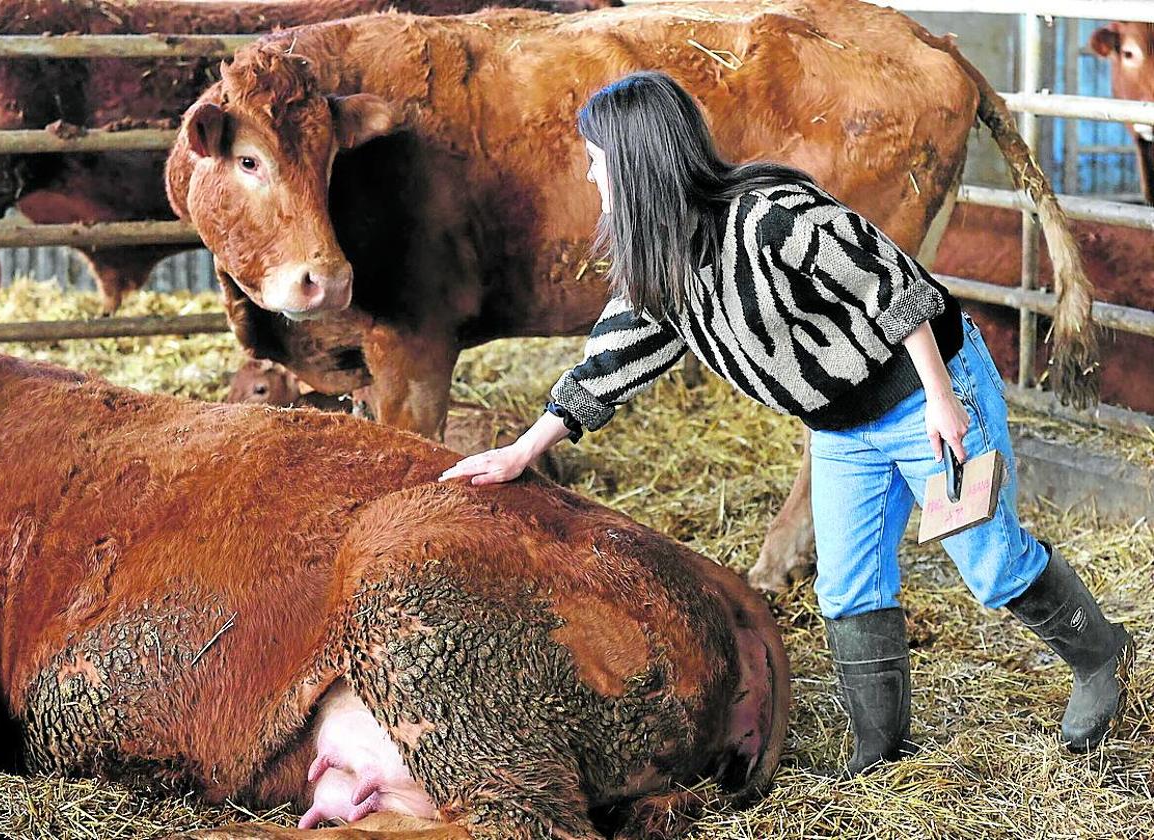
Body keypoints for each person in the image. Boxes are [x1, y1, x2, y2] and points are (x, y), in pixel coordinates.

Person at [438, 71, 1134, 774]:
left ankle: (1102, 656)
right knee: (848, 586)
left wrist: (942, 403)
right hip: (839, 428)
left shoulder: (772, 215)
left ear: (636, 157)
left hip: (925, 388)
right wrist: (524, 449)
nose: (591, 176)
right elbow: (613, 360)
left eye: (597, 160)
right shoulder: (666, 262)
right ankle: (881, 754)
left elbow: (891, 284)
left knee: (989, 565)